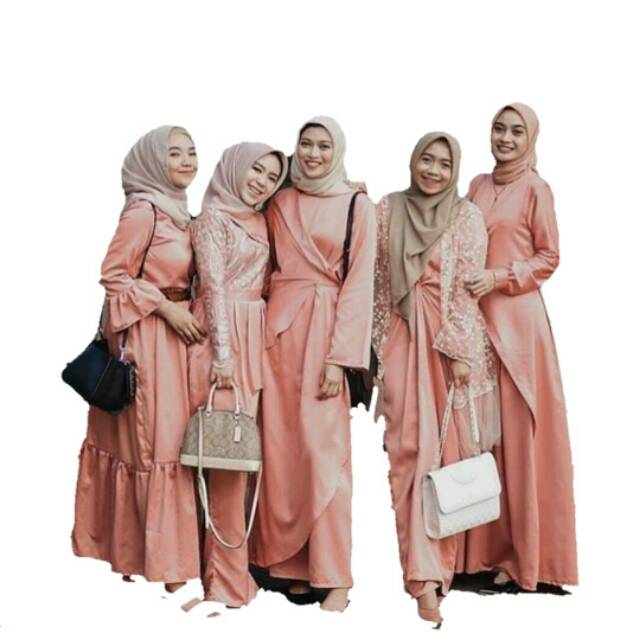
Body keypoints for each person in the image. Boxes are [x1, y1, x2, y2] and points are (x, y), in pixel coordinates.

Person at [373, 132, 500, 623]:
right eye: (426, 159)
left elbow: (468, 288)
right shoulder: (388, 209)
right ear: (412, 160)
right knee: (407, 455)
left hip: (446, 347)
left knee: (443, 458)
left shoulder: (466, 216)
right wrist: (377, 348)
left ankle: (432, 578)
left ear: (455, 171)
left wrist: (461, 353)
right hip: (399, 339)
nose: (433, 170)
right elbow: (375, 279)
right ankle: (420, 575)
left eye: (445, 164)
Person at [72, 125, 207, 591]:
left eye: (192, 152)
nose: (187, 161)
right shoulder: (143, 210)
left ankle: (163, 556)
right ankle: (162, 563)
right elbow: (114, 275)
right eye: (175, 154)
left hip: (178, 337)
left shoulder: (180, 212)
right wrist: (166, 308)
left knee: (172, 443)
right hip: (149, 337)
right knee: (156, 445)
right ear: (152, 161)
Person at [254, 116, 376, 612]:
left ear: (338, 150)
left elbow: (360, 285)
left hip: (326, 335)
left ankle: (335, 574)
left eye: (324, 145)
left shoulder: (357, 205)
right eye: (305, 144)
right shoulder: (279, 200)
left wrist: (341, 360)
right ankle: (293, 565)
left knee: (327, 456)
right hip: (276, 337)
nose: (314, 154)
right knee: (283, 453)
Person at [461, 103, 578, 590]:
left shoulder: (536, 188)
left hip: (518, 327)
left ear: (530, 139)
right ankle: (479, 553)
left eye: (515, 131)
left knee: (519, 437)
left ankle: (524, 558)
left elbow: (550, 256)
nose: (505, 139)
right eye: (498, 129)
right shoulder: (476, 185)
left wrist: (500, 277)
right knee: (480, 438)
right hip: (474, 323)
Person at [188, 142, 287, 606]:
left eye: (271, 176)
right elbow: (212, 288)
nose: (262, 182)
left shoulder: (258, 219)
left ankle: (233, 568)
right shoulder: (213, 218)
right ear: (234, 168)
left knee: (243, 453)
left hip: (253, 335)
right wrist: (223, 356)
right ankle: (223, 581)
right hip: (221, 339)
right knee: (224, 456)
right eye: (256, 170)